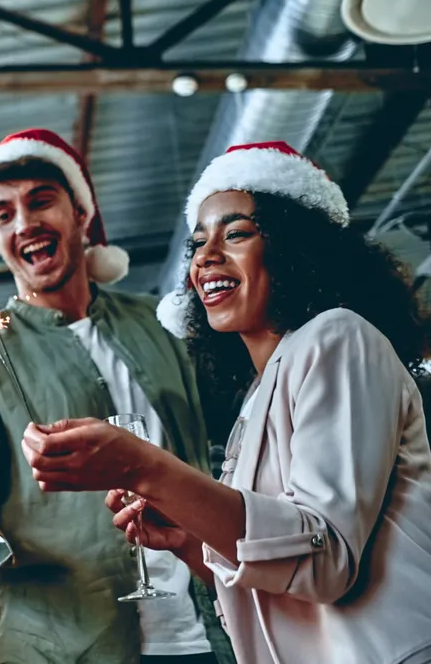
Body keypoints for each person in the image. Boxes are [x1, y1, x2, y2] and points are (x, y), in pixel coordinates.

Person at [24, 141, 431, 663]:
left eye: (236, 233)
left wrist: (145, 468)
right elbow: (276, 577)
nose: (205, 257)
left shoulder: (339, 337)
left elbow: (324, 558)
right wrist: (188, 540)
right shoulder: (258, 396)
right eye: (197, 244)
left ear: (293, 248)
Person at [0, 129, 235, 663]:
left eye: (41, 200)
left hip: (215, 632)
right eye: (2, 214)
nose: (25, 223)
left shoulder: (165, 323)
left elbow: (231, 454)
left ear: (82, 215)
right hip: (64, 645)